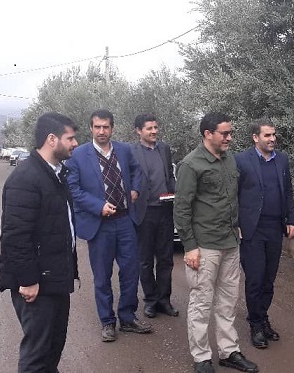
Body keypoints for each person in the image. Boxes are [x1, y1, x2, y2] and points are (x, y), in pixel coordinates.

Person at [174, 112, 258, 373]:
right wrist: (190, 246)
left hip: (230, 242)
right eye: (225, 133)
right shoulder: (191, 164)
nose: (229, 138)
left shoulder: (229, 159)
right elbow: (181, 208)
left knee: (228, 301)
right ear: (208, 134)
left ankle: (228, 351)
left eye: (230, 133)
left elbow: (232, 197)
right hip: (205, 246)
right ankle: (201, 357)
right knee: (201, 302)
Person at [0, 112, 80, 372]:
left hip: (55, 277)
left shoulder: (56, 174)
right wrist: (28, 280)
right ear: (52, 139)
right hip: (37, 283)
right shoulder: (26, 178)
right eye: (70, 138)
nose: (75, 143)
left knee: (52, 348)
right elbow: (15, 236)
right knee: (37, 354)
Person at [66, 109, 152, 342]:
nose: (101, 131)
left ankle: (128, 317)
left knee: (131, 272)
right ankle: (107, 321)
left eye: (105, 127)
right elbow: (73, 189)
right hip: (100, 225)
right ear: (91, 128)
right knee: (102, 276)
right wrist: (98, 206)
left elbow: (136, 171)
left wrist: (135, 189)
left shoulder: (124, 150)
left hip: (125, 221)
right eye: (97, 127)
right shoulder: (78, 155)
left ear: (112, 128)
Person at [235, 119, 294, 349]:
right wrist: (236, 223)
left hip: (274, 228)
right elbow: (233, 194)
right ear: (255, 137)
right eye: (267, 135)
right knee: (255, 279)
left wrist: (291, 219)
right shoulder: (241, 160)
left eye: (273, 135)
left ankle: (262, 317)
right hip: (252, 229)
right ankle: (256, 325)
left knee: (269, 280)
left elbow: (287, 191)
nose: (272, 139)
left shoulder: (282, 159)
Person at [131, 114, 178, 318]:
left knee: (166, 259)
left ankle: (164, 300)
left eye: (155, 128)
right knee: (145, 260)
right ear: (138, 131)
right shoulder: (132, 152)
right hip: (144, 212)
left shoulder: (164, 149)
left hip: (165, 210)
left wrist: (176, 193)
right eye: (149, 128)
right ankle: (150, 300)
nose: (154, 131)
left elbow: (169, 176)